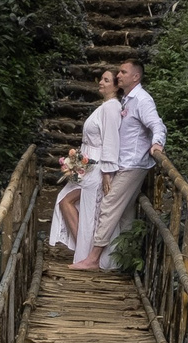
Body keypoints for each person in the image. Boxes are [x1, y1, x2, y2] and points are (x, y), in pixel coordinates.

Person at [86, 57, 163, 269]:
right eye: (118, 72)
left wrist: (157, 143)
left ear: (136, 76)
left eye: (123, 72)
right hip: (125, 162)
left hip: (134, 163)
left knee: (109, 204)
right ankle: (124, 260)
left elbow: (156, 123)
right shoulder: (128, 99)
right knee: (126, 211)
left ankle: (93, 258)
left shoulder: (142, 100)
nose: (118, 75)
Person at [50, 68, 122, 264]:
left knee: (74, 203)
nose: (101, 82)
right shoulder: (105, 106)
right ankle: (88, 254)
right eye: (102, 79)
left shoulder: (111, 108)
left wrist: (107, 171)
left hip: (98, 165)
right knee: (69, 201)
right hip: (88, 162)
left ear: (116, 86)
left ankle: (88, 256)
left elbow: (111, 140)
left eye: (107, 80)